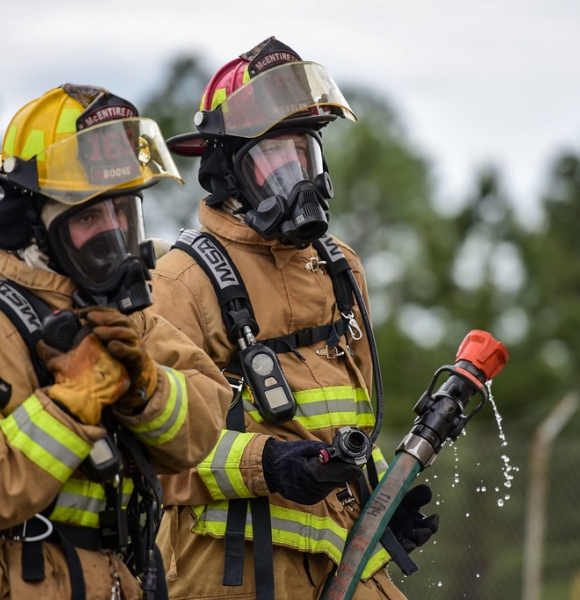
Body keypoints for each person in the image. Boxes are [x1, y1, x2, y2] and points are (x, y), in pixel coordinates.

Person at [0, 84, 233, 600]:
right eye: (89, 216)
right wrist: (70, 406)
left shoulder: (125, 322)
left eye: (122, 213)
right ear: (32, 223)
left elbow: (203, 426)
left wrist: (146, 387)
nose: (112, 234)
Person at [150, 38, 439, 600]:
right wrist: (269, 465)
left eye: (303, 156)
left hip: (341, 561)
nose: (298, 181)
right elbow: (158, 451)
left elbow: (344, 419)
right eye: (275, 161)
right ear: (227, 171)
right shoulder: (182, 282)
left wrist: (381, 496)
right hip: (231, 573)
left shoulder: (339, 269)